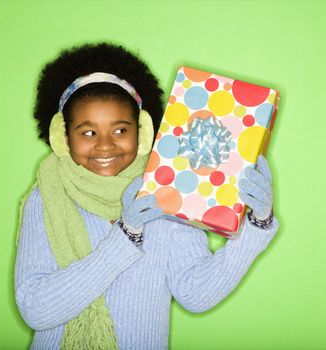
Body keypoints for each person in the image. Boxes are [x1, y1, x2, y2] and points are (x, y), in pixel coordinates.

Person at [14, 42, 278, 350]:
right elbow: (34, 307)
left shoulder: (168, 193)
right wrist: (125, 237)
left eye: (120, 130)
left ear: (142, 132)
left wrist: (256, 226)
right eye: (88, 132)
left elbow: (195, 294)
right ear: (63, 137)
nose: (104, 145)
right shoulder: (45, 197)